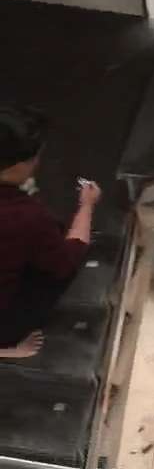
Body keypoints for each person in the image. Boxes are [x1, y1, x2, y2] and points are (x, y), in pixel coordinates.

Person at [0, 105, 102, 360]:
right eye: (35, 158)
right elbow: (66, 259)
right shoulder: (24, 217)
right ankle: (7, 346)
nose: (38, 163)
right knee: (52, 270)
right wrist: (87, 205)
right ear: (18, 165)